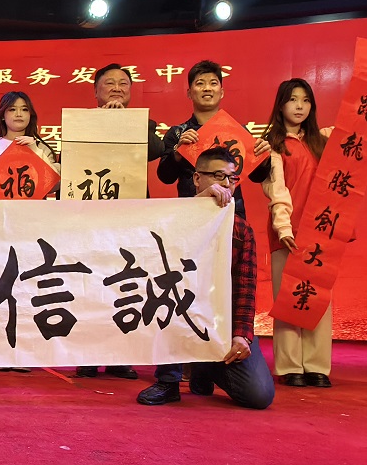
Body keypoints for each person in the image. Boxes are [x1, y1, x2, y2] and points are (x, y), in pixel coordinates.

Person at [136, 147, 275, 409]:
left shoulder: (241, 229)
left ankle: (205, 365)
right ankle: (168, 380)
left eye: (232, 178)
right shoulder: (174, 218)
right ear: (197, 179)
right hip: (179, 312)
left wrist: (242, 336)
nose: (226, 184)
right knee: (167, 300)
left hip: (220, 322)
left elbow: (245, 288)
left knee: (258, 395)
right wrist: (198, 205)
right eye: (218, 176)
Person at [75, 64, 164, 379]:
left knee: (127, 285)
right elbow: (72, 160)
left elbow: (158, 150)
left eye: (123, 83)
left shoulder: (143, 122)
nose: (116, 88)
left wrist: (125, 123)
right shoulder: (82, 123)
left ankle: (120, 357)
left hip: (130, 218)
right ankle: (88, 355)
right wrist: (104, 123)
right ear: (95, 91)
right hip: (93, 218)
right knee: (91, 284)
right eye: (109, 83)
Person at [260, 79, 334, 388]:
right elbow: (276, 190)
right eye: (293, 100)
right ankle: (290, 365)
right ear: (280, 105)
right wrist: (283, 227)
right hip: (288, 232)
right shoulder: (272, 145)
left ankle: (317, 365)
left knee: (319, 298)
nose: (300, 106)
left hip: (321, 232)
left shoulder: (322, 140)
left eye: (306, 100)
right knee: (289, 297)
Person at [157, 60, 270, 218]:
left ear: (221, 92)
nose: (207, 88)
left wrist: (263, 159)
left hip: (231, 213)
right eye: (200, 83)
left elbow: (257, 176)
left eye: (213, 83)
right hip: (192, 214)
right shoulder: (177, 133)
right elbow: (165, 177)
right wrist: (177, 153)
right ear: (189, 93)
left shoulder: (238, 132)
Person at [0, 91, 59, 201]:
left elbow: (54, 184)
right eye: (12, 109)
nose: (19, 114)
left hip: (33, 210)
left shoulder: (40, 148)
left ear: (30, 115)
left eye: (24, 109)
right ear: (2, 116)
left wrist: (35, 151)